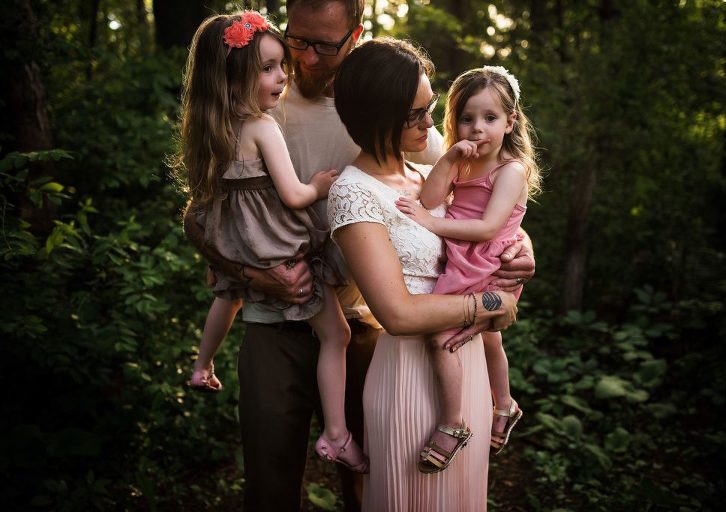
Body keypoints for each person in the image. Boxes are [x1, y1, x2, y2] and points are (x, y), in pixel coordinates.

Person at [182, 1, 536, 510]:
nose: (305, 58)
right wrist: (247, 272)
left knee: (369, 482)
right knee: (271, 481)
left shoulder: (394, 101)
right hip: (276, 318)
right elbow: (201, 213)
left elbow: (476, 194)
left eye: (324, 44)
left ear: (355, 34)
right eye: (297, 39)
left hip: (365, 322)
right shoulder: (257, 98)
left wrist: (521, 247)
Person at [329, 37, 521, 511]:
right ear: (378, 117)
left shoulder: (425, 175)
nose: (429, 124)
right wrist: (493, 305)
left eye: (430, 108)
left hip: (468, 366)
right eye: (415, 114)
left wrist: (522, 251)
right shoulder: (353, 193)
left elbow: (489, 224)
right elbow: (398, 314)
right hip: (409, 374)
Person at [178, 10, 367, 474]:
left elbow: (204, 209)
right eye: (269, 67)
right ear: (234, 78)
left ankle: (202, 364)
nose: (285, 73)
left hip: (244, 246)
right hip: (281, 254)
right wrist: (319, 185)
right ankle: (336, 435)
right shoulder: (263, 125)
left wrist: (232, 263)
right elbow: (292, 195)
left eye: (281, 64)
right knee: (336, 335)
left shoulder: (213, 128)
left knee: (227, 296)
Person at [395, 66, 541, 470]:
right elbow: (430, 197)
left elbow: (488, 227)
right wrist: (449, 159)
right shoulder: (464, 159)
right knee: (490, 339)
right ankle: (506, 404)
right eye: (467, 118)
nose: (477, 128)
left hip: (487, 264)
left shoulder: (511, 170)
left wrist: (430, 224)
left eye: (490, 118)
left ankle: (453, 424)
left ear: (510, 122)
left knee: (441, 339)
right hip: (464, 257)